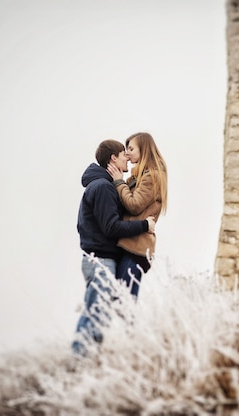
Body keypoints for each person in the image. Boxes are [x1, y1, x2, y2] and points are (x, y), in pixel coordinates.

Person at [72, 139, 156, 356]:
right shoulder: (102, 187)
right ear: (113, 159)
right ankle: (77, 362)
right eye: (123, 154)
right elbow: (111, 227)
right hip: (99, 259)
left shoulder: (104, 186)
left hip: (100, 259)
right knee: (95, 315)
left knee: (100, 317)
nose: (127, 157)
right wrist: (144, 225)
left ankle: (87, 361)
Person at [107, 132, 168, 300]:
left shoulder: (152, 176)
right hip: (131, 244)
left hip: (136, 247)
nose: (127, 153)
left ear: (144, 150)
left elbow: (134, 205)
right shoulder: (139, 176)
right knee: (122, 302)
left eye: (131, 149)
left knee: (124, 303)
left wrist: (119, 182)